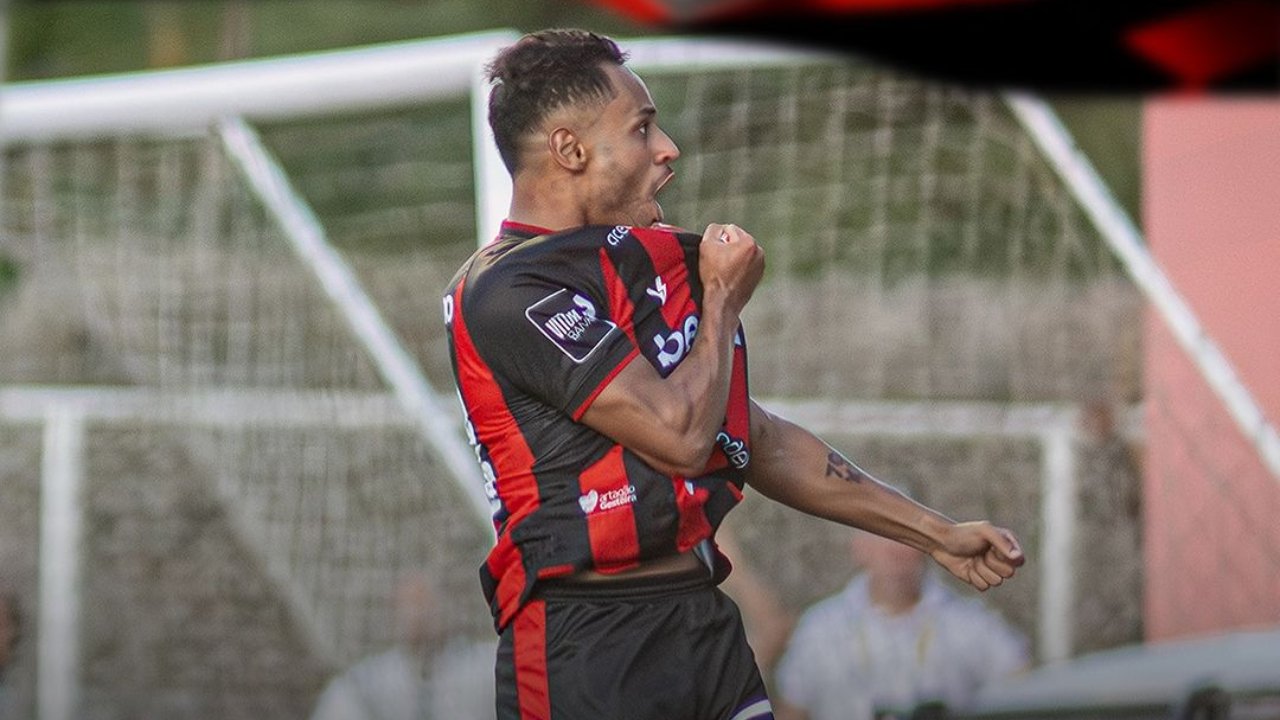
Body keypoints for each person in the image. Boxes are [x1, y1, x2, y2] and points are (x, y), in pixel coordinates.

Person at [442, 28, 1025, 720]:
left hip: (702, 625)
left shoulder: (650, 261)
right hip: (586, 641)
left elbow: (758, 440)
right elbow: (681, 437)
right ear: (570, 150)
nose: (667, 149)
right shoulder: (506, 292)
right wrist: (720, 301)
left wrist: (936, 533)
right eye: (642, 129)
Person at [773, 529, 1031, 720]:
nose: (894, 552)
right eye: (881, 538)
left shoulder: (969, 622)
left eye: (905, 541)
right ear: (859, 548)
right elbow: (792, 709)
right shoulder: (820, 628)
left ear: (927, 547)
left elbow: (1024, 687)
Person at [308, 571, 496, 720]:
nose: (419, 614)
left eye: (425, 602)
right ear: (393, 616)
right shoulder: (364, 684)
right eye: (410, 605)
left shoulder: (483, 669)